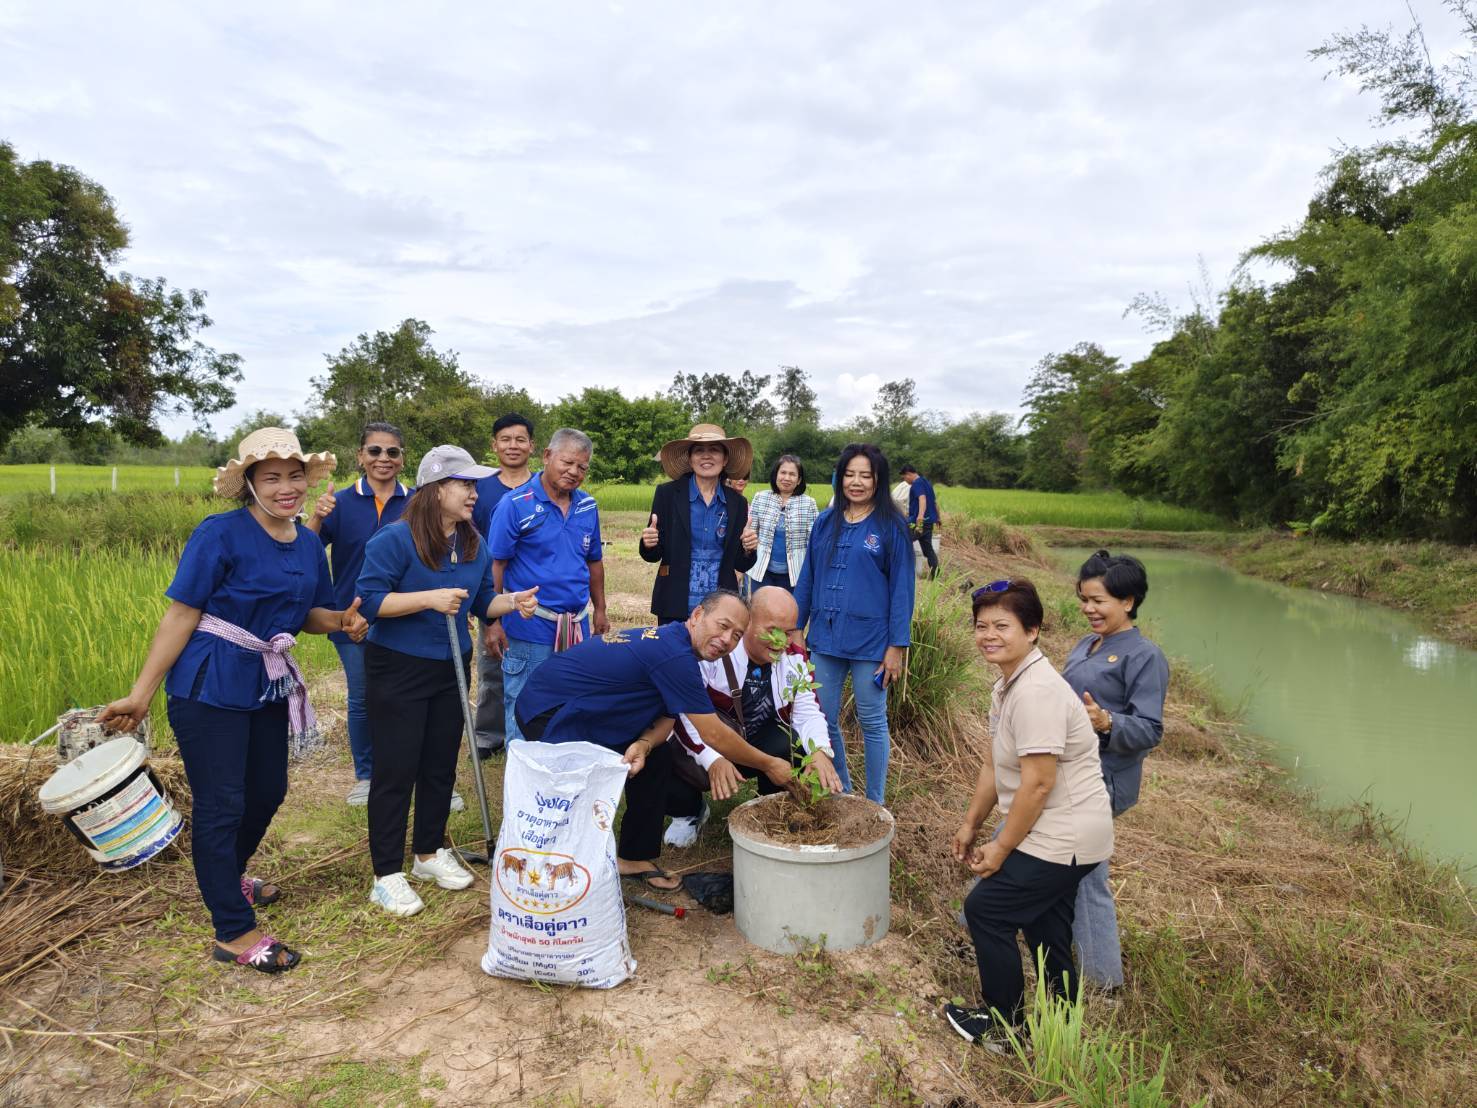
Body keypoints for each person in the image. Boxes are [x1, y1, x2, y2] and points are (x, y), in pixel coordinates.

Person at [100, 428, 368, 973]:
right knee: (221, 804)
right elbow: (182, 614)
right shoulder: (219, 533)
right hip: (209, 685)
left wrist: (342, 620)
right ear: (250, 484)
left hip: (266, 682)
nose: (286, 488)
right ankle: (232, 929)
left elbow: (310, 615)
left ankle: (226, 876)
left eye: (295, 476)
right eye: (272, 478)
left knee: (267, 790)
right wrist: (141, 693)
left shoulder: (309, 543)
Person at [355, 445, 541, 917]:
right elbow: (371, 602)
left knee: (439, 763)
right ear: (436, 489)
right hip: (398, 666)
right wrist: (427, 598)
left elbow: (482, 601)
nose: (474, 493)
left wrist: (512, 602)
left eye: (475, 485)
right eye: (464, 484)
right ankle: (386, 874)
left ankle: (428, 852)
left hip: (450, 664)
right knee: (397, 769)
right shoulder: (394, 540)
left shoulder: (472, 541)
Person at [514, 591, 794, 890]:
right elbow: (713, 733)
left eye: (736, 635)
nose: (727, 639)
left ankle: (633, 858)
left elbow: (668, 718)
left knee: (656, 758)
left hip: (594, 710)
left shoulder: (679, 646)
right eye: (723, 626)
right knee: (581, 782)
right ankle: (560, 863)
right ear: (697, 615)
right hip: (550, 710)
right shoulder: (675, 655)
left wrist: (645, 744)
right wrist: (770, 765)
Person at [944, 578, 1113, 1050]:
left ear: (1032, 630)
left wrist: (1000, 848)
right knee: (1045, 925)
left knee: (986, 909)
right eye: (981, 626)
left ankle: (1004, 1026)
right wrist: (971, 824)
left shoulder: (1036, 692)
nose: (988, 636)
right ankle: (1063, 1026)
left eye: (1002, 626)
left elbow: (1038, 783)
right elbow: (993, 763)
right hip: (1062, 831)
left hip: (1064, 834)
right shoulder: (1010, 684)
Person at [1062, 549, 1168, 991]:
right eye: (1084, 599)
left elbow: (1150, 729)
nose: (1089, 609)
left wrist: (1106, 722)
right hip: (1066, 772)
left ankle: (1103, 983)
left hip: (1102, 781)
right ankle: (980, 925)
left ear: (1128, 601)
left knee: (1086, 875)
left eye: (1098, 601)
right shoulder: (1087, 644)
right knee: (1020, 840)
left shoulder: (1144, 656)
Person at [663, 586, 843, 847]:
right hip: (710, 741)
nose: (781, 641)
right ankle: (688, 812)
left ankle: (774, 807)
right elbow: (684, 718)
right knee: (663, 754)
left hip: (755, 739)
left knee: (792, 744)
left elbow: (808, 710)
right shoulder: (712, 651)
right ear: (748, 623)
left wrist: (820, 751)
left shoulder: (794, 657)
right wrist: (712, 760)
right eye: (772, 630)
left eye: (788, 632)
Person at [793, 444, 915, 805]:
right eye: (849, 474)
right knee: (823, 718)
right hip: (826, 637)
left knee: (872, 720)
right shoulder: (825, 521)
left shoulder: (891, 526)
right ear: (840, 478)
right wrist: (796, 628)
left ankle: (875, 803)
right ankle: (842, 792)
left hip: (872, 641)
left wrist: (896, 646)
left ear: (878, 480)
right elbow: (807, 577)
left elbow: (902, 589)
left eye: (865, 475)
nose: (856, 482)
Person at [303, 421, 412, 805]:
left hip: (405, 617)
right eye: (375, 451)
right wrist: (317, 515)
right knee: (363, 697)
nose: (384, 458)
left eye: (392, 452)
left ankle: (406, 768)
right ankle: (366, 774)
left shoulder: (417, 502)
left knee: (405, 697)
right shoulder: (340, 503)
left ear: (402, 459)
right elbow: (306, 549)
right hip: (349, 619)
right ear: (361, 456)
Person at [487, 428, 609, 743]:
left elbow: (594, 561)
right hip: (531, 624)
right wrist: (492, 621)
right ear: (546, 456)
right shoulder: (515, 504)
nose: (574, 472)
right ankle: (521, 767)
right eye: (567, 462)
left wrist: (600, 610)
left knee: (570, 700)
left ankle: (559, 763)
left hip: (577, 624)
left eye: (582, 467)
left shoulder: (587, 505)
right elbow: (496, 565)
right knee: (524, 702)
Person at [639, 424, 758, 624]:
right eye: (699, 450)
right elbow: (653, 555)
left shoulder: (737, 503)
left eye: (714, 450)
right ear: (690, 458)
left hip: (720, 605)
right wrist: (649, 543)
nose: (706, 456)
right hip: (674, 601)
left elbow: (740, 563)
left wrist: (748, 549)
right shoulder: (667, 494)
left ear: (725, 459)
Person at [470, 413, 537, 758]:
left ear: (532, 446)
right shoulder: (480, 488)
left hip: (534, 597)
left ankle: (531, 731)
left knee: (533, 666)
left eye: (520, 439)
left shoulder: (543, 486)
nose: (513, 446)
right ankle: (488, 734)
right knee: (492, 663)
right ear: (494, 445)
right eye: (505, 439)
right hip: (491, 591)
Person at [745, 455, 819, 593]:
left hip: (795, 574)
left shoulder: (809, 503)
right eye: (783, 472)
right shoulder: (761, 497)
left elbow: (813, 541)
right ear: (776, 475)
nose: (786, 478)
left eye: (792, 474)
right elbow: (752, 533)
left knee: (791, 607)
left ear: (799, 480)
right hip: (762, 572)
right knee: (761, 606)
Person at [899, 464, 940, 579]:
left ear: (908, 474)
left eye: (904, 478)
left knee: (902, 540)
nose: (905, 481)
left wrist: (920, 517)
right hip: (929, 522)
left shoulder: (916, 484)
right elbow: (934, 502)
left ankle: (905, 572)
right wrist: (938, 517)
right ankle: (935, 576)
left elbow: (922, 499)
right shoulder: (926, 482)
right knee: (928, 550)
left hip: (918, 522)